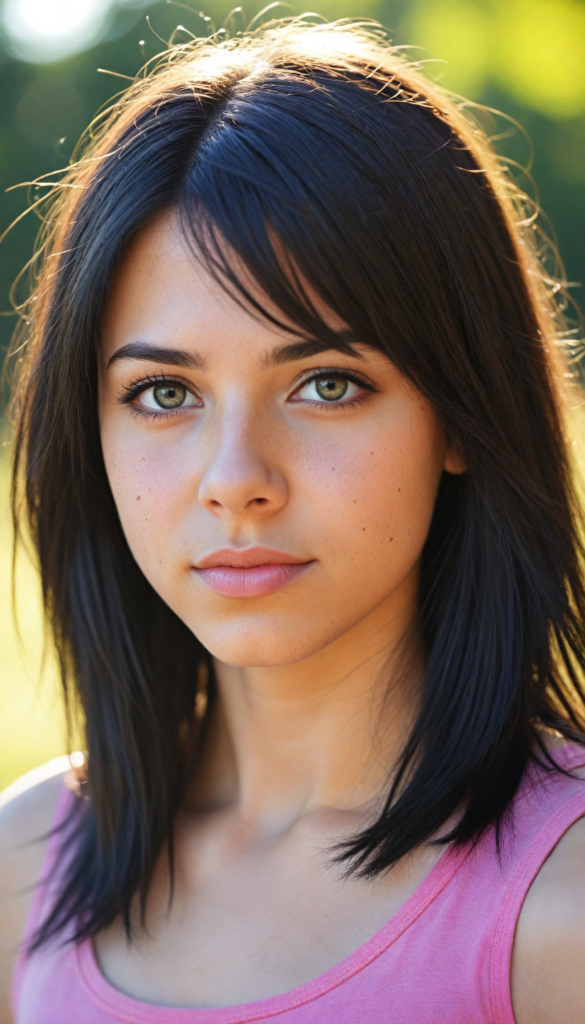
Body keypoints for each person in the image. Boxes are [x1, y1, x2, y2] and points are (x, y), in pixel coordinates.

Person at [1, 17, 585, 1023]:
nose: (236, 480)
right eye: (163, 395)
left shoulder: (561, 904)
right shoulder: (26, 869)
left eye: (324, 383)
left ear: (461, 411)